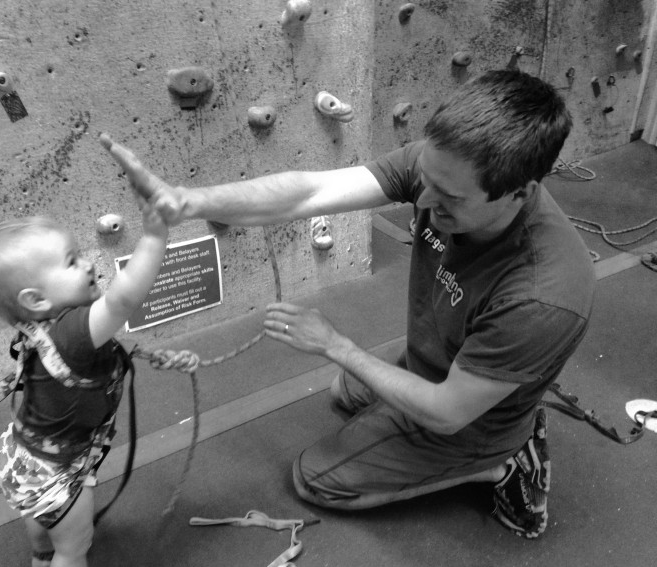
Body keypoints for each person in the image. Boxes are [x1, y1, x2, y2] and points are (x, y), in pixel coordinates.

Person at [109, 69, 596, 539]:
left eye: (447, 198)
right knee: (345, 393)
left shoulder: (542, 294)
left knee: (314, 479)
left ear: (522, 191)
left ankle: (499, 460)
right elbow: (311, 191)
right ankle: (492, 396)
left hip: (467, 416)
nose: (424, 198)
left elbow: (447, 412)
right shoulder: (450, 168)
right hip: (443, 359)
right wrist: (189, 202)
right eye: (424, 177)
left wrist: (335, 344)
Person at [0, 183, 168, 567]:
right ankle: (57, 557)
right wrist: (156, 236)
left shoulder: (41, 327)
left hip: (22, 457)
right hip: (57, 472)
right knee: (75, 546)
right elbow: (124, 298)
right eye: (71, 261)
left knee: (43, 521)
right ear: (36, 299)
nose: (89, 264)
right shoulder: (73, 332)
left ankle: (41, 555)